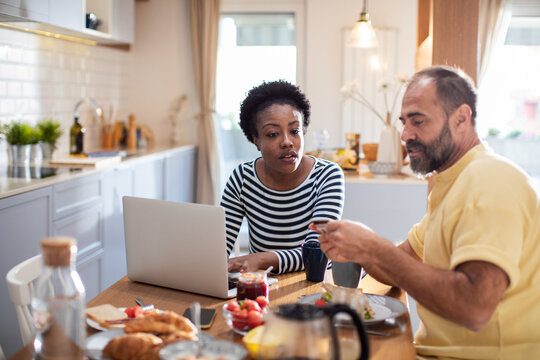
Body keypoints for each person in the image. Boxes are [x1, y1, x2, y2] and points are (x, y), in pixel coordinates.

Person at [312, 66, 540, 359]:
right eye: (404, 122)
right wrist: (359, 250)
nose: (405, 134)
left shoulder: (489, 180)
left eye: (417, 121)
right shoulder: (452, 182)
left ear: (461, 118)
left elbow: (474, 308)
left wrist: (375, 248)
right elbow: (403, 263)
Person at [221, 80, 345, 274]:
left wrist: (260, 258)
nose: (287, 142)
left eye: (294, 131)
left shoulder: (327, 175)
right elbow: (219, 247)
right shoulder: (243, 178)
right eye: (272, 134)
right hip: (262, 288)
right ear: (256, 141)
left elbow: (317, 251)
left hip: (315, 287)